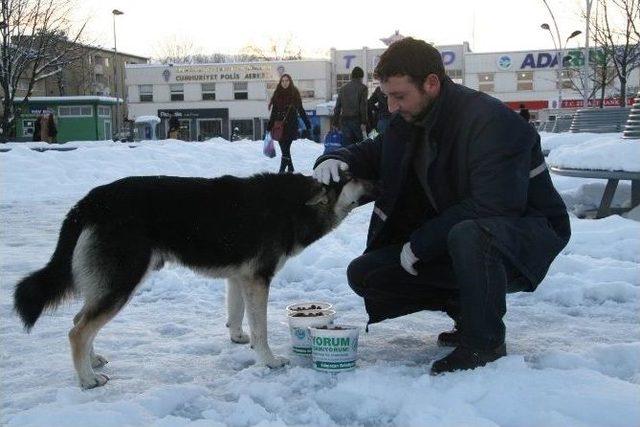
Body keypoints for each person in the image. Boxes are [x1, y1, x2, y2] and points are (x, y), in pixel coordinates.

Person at [312, 38, 570, 374]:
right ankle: (467, 311)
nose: (390, 107)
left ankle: (485, 342)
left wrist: (421, 243)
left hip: (524, 235)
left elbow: (493, 205)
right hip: (462, 233)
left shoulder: (490, 123)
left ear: (431, 83)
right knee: (367, 274)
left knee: (470, 235)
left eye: (399, 96)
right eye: (388, 96)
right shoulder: (410, 119)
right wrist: (335, 158)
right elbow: (373, 153)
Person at [267, 74, 311, 173]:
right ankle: (290, 168)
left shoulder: (294, 93)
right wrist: (269, 125)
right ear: (280, 82)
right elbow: (274, 112)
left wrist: (307, 123)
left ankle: (281, 171)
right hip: (279, 126)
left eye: (287, 80)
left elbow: (300, 109)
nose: (285, 83)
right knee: (284, 149)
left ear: (290, 81)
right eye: (283, 81)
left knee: (285, 148)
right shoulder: (277, 93)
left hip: (290, 125)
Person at [333, 66, 368, 145]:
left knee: (347, 147)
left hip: (344, 122)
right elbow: (363, 106)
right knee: (359, 147)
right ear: (361, 77)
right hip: (357, 121)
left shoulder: (343, 88)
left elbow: (337, 107)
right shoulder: (363, 88)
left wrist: (335, 123)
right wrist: (364, 122)